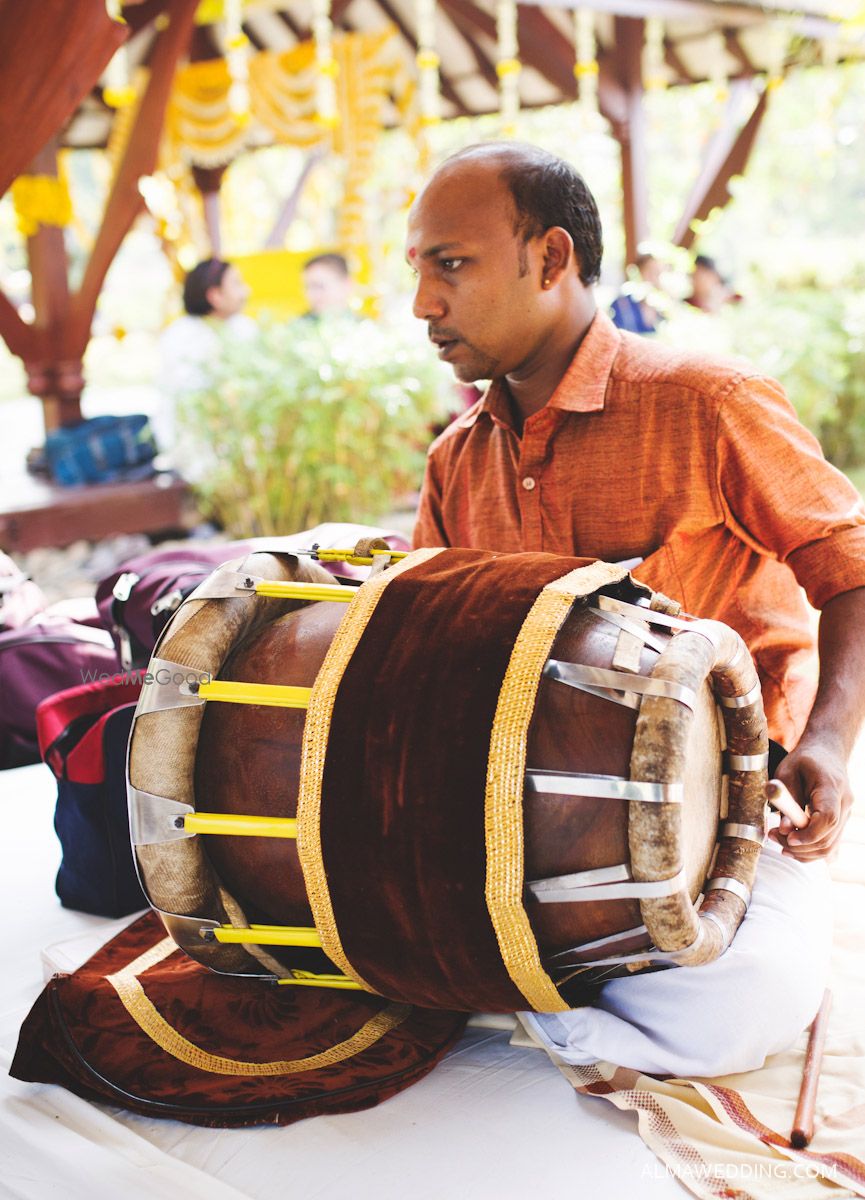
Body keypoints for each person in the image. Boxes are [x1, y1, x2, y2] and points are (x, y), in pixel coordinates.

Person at [407, 142, 865, 1076]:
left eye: (449, 264)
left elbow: (850, 568)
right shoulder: (456, 460)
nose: (422, 303)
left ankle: (526, 993)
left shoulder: (706, 402)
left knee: (743, 1004)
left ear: (551, 258)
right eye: (415, 269)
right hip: (520, 816)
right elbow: (427, 646)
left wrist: (826, 741)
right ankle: (550, 981)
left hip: (722, 810)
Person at [156, 258, 256, 457]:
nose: (246, 291)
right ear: (215, 295)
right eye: (237, 284)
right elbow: (188, 402)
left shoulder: (245, 328)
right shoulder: (182, 337)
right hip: (196, 447)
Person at [610, 251, 666, 334]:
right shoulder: (622, 304)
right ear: (638, 273)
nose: (654, 279)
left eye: (658, 273)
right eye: (649, 272)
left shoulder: (665, 308)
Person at [298, 252, 354, 321]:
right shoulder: (295, 327)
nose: (311, 294)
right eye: (307, 287)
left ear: (346, 285)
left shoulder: (365, 328)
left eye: (320, 286)